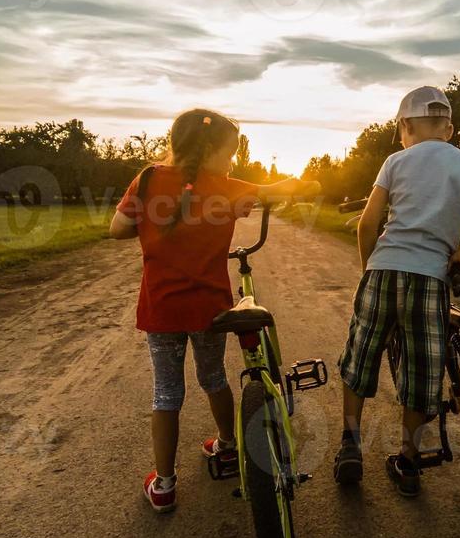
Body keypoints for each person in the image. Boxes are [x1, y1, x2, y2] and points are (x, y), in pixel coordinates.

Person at [109, 108, 320, 513]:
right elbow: (276, 190)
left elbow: (117, 227)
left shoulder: (148, 179)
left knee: (166, 392)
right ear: (208, 149)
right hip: (207, 306)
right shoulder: (226, 187)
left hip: (163, 309)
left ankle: (165, 485)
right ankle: (226, 444)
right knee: (213, 376)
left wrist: (159, 224)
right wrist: (306, 183)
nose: (232, 162)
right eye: (229, 153)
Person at [333, 87, 460, 496]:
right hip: (430, 277)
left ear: (405, 127)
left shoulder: (395, 161)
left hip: (384, 270)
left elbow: (368, 223)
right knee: (421, 371)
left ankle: (350, 445)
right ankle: (409, 461)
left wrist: (368, 269)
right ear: (448, 128)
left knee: (360, 355)